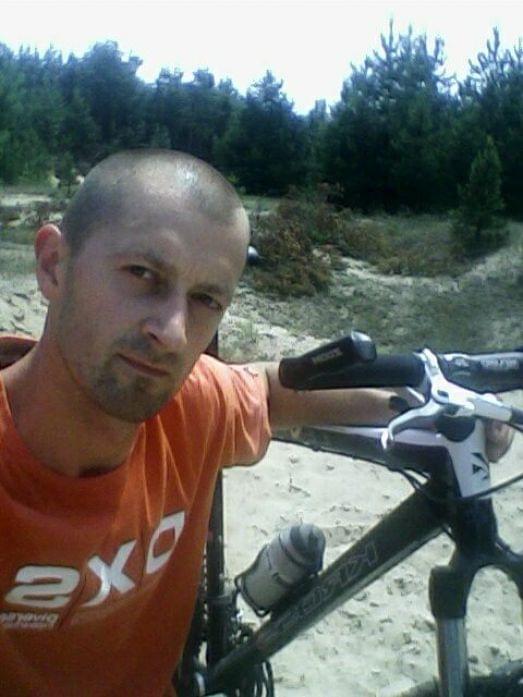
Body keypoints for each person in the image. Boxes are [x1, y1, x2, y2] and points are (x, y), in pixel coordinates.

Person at [0, 150, 512, 696]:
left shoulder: (190, 406)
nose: (173, 333)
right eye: (142, 274)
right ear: (53, 266)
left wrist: (428, 398)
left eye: (205, 299)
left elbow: (270, 390)